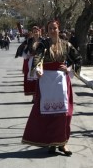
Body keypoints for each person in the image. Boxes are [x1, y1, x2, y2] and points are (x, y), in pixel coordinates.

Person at [21, 20, 81, 156]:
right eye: (50, 29)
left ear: (59, 29)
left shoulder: (67, 45)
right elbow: (37, 58)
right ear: (47, 31)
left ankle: (63, 143)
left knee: (65, 114)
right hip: (46, 82)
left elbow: (78, 58)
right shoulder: (43, 45)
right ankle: (52, 142)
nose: (52, 30)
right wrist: (38, 69)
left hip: (62, 82)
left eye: (54, 28)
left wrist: (69, 68)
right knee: (48, 114)